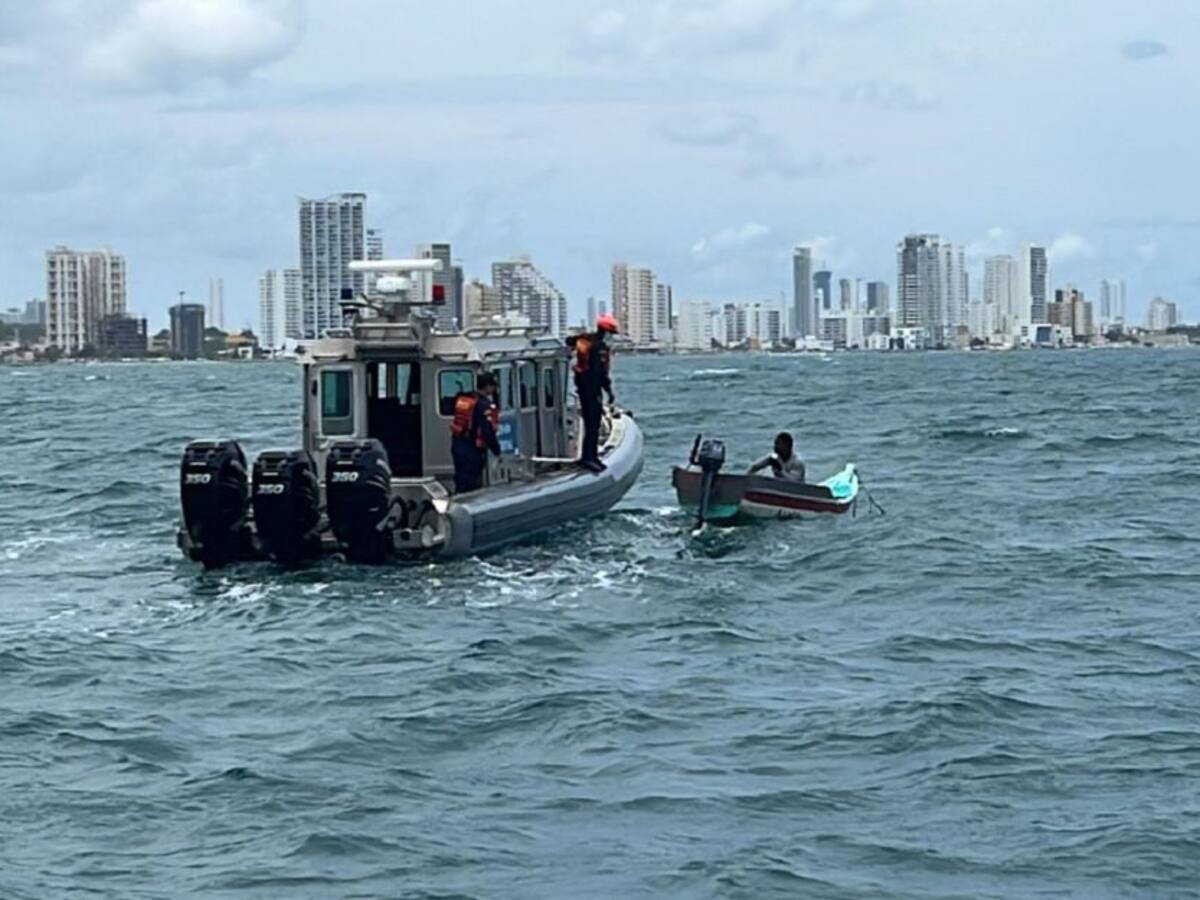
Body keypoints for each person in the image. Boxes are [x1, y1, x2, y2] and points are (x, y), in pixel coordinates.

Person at [566, 314, 618, 473]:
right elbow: (600, 372)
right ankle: (589, 457)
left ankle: (590, 455)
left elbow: (570, 341)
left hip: (583, 385)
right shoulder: (598, 347)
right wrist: (608, 390)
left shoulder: (585, 340)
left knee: (591, 423)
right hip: (591, 387)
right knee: (593, 423)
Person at [450, 372, 502, 494]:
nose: (494, 389)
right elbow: (487, 431)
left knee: (461, 479)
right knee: (471, 484)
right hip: (471, 449)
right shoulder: (483, 405)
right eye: (493, 386)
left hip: (458, 445)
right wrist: (497, 451)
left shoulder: (467, 399)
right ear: (487, 386)